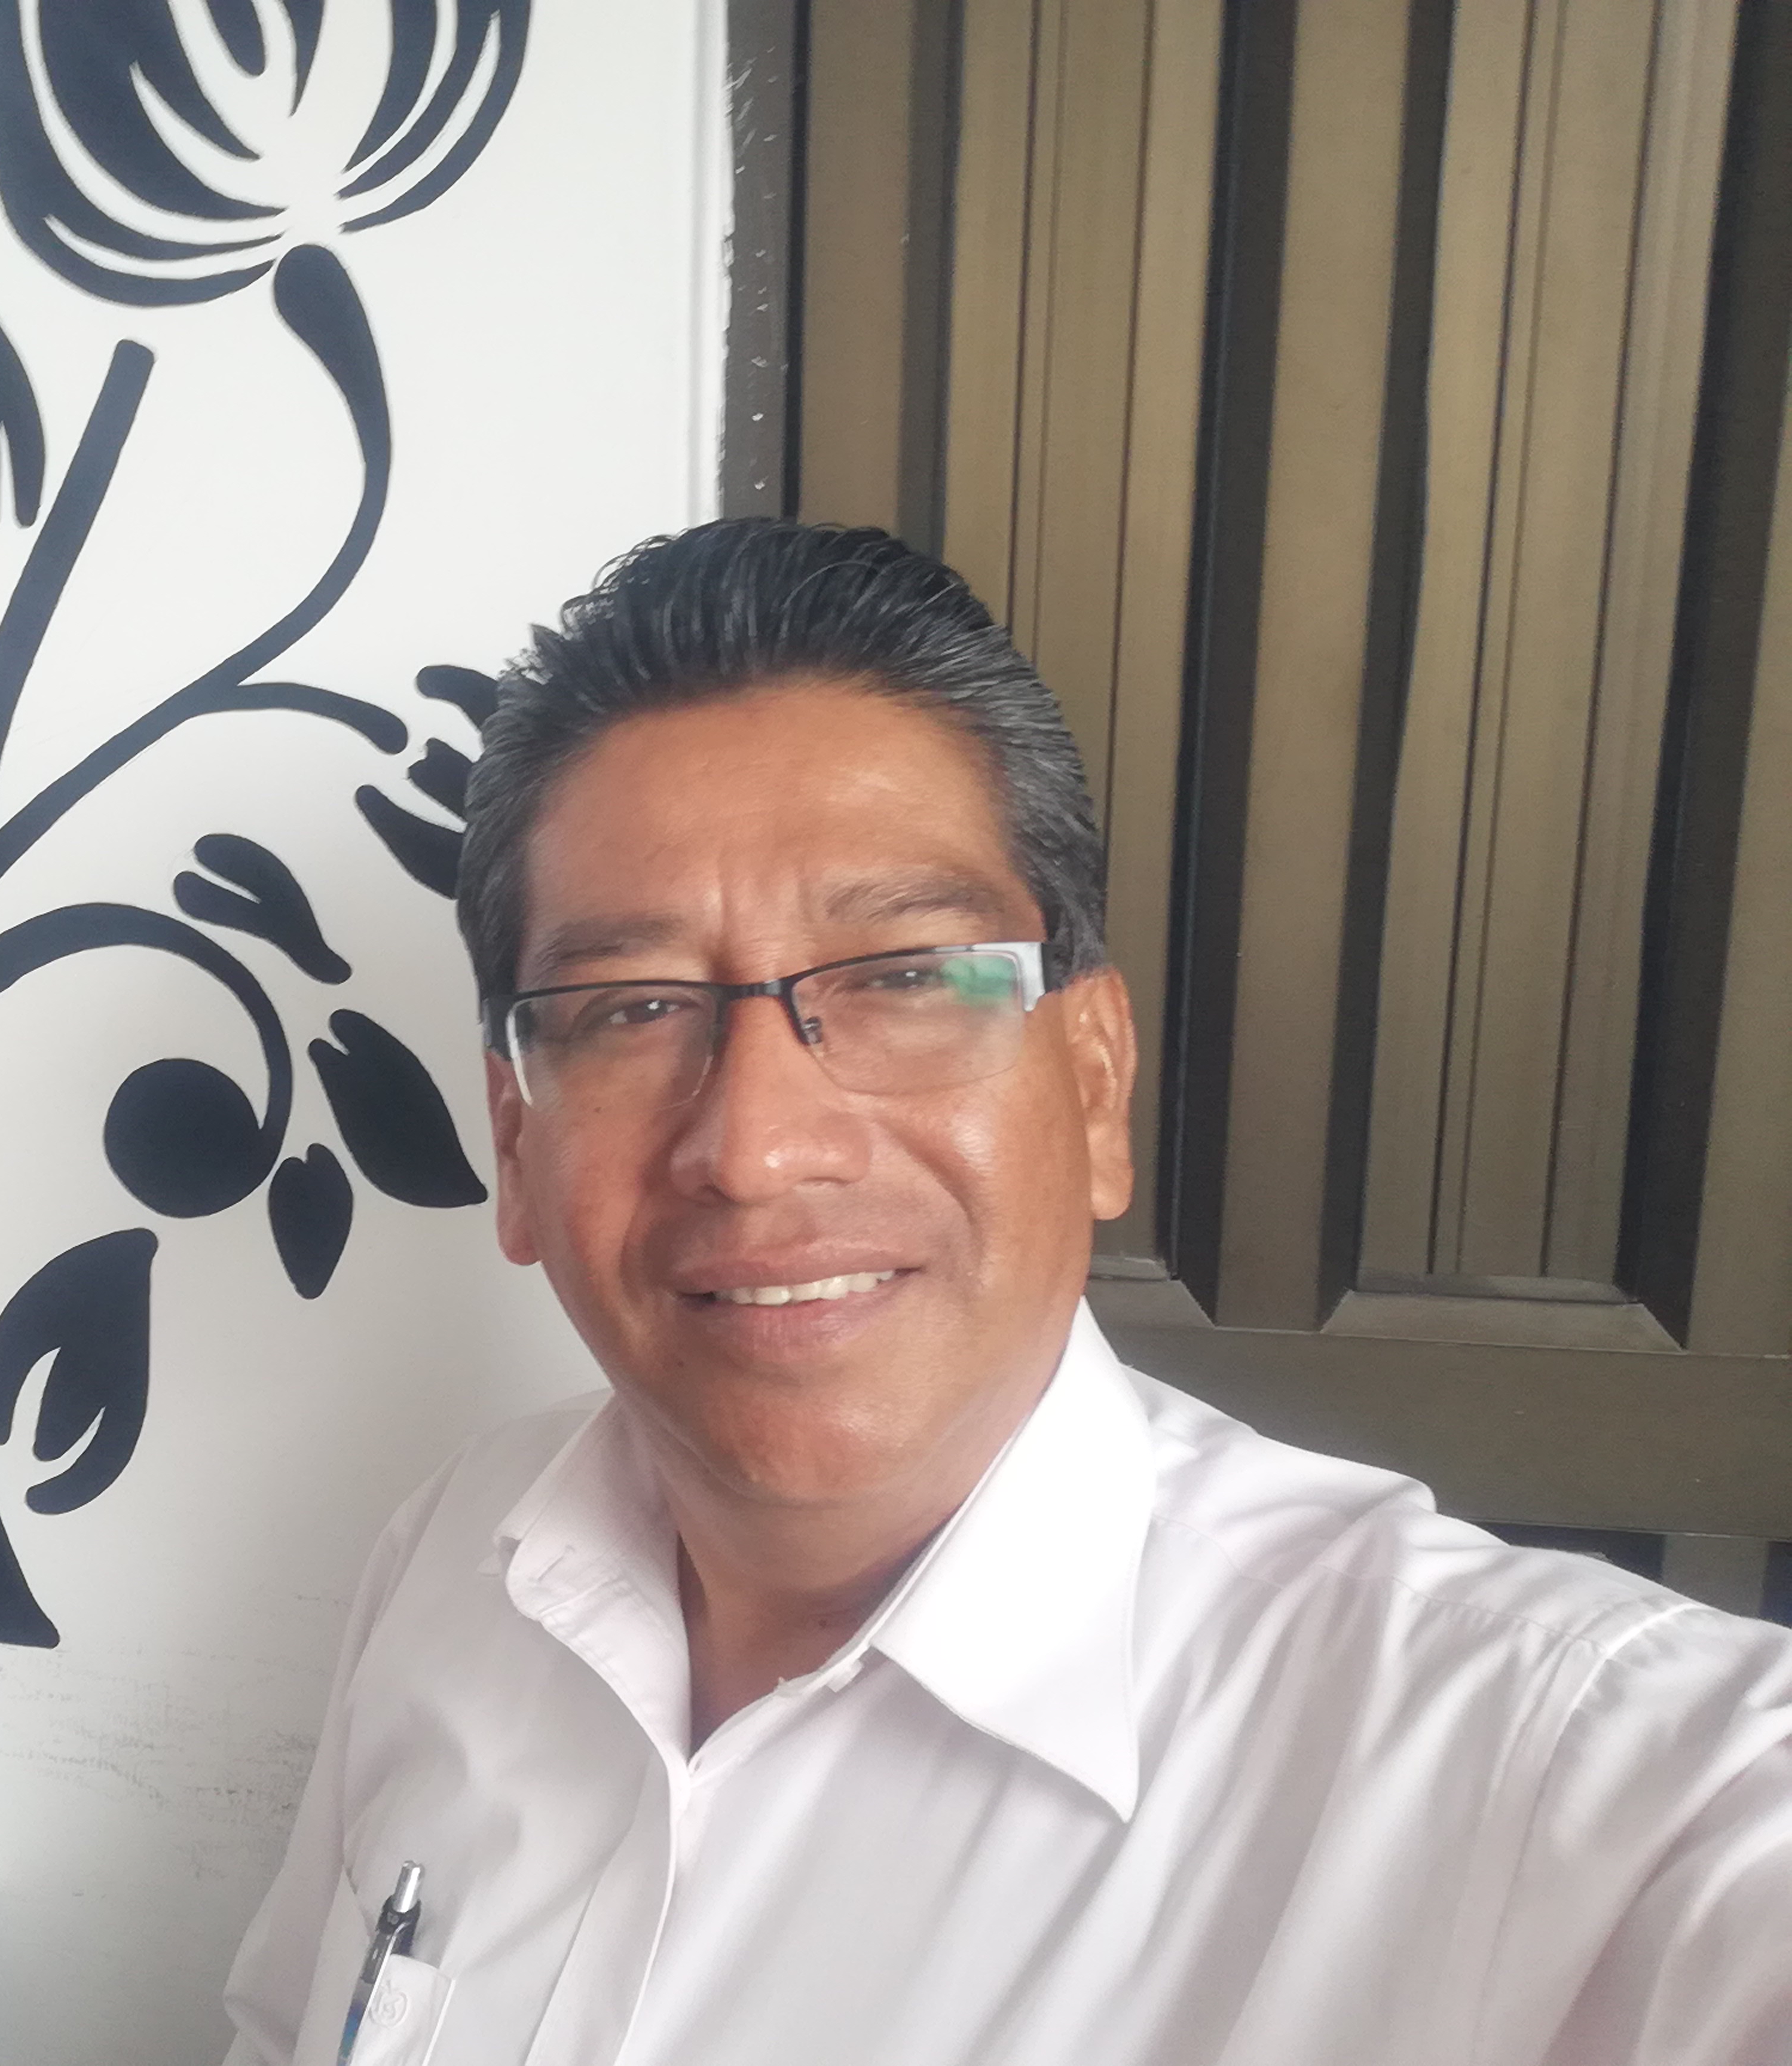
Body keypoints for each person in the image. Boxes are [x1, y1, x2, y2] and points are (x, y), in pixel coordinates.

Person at [218, 519, 1792, 2066]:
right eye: (632, 1008)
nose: (755, 1150)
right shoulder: (451, 1564)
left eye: (904, 977)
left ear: (1095, 1082)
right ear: (515, 1142)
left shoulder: (1534, 1763)